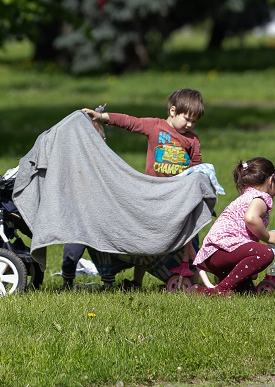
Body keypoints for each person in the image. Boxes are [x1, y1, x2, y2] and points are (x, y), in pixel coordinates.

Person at [81, 89, 205, 289]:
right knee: (146, 240)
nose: (190, 124)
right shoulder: (155, 126)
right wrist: (102, 116)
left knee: (190, 236)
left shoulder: (192, 140)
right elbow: (130, 122)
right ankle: (136, 281)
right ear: (173, 111)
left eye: (194, 121)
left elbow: (197, 166)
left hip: (178, 197)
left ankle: (194, 279)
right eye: (187, 119)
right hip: (153, 195)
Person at [190, 157, 275, 297]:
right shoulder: (260, 198)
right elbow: (251, 218)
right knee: (265, 253)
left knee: (247, 293)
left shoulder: (246, 195)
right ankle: (222, 288)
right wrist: (267, 236)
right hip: (223, 251)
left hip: (214, 255)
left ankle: (203, 291)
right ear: (270, 180)